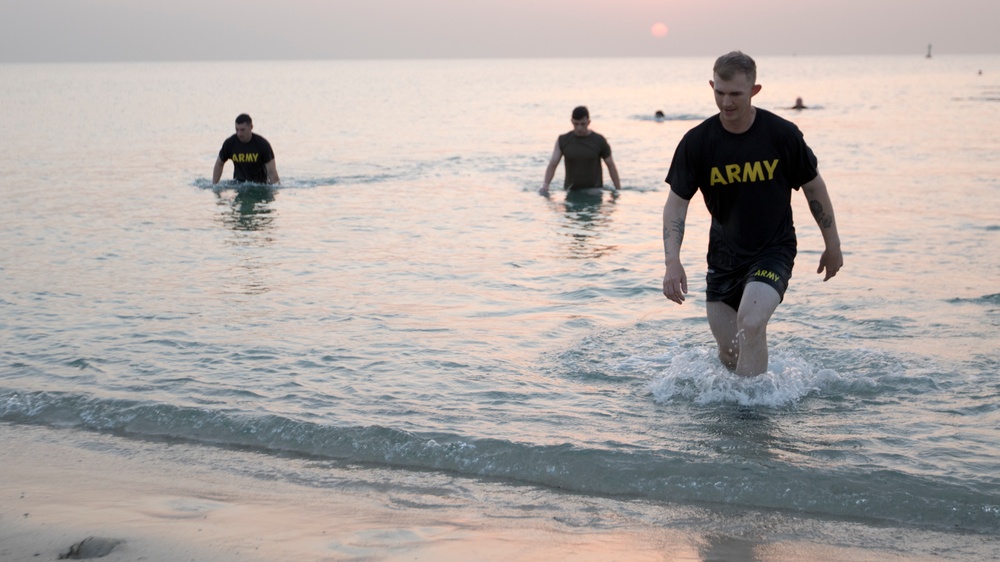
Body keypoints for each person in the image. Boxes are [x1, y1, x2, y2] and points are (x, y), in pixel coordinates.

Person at [661, 51, 843, 377]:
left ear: (754, 90)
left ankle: (753, 415)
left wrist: (833, 244)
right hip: (723, 258)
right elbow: (676, 204)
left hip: (773, 250)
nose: (726, 102)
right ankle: (746, 390)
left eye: (735, 94)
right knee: (730, 353)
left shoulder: (782, 135)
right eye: (719, 92)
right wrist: (672, 260)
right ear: (711, 86)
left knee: (751, 321)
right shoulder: (697, 143)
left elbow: (814, 189)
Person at [540, 106, 621, 196]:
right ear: (572, 122)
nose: (579, 128)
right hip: (571, 191)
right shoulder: (563, 140)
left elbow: (611, 165)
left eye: (583, 124)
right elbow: (553, 164)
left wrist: (618, 189)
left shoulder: (599, 140)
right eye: (576, 124)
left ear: (588, 122)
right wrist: (545, 185)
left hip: (594, 191)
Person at [212, 114, 280, 185]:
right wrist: (214, 185)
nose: (239, 134)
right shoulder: (230, 143)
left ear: (251, 127)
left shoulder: (262, 145)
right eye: (237, 129)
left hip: (259, 185)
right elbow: (219, 163)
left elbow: (272, 172)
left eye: (242, 130)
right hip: (238, 184)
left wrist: (275, 190)